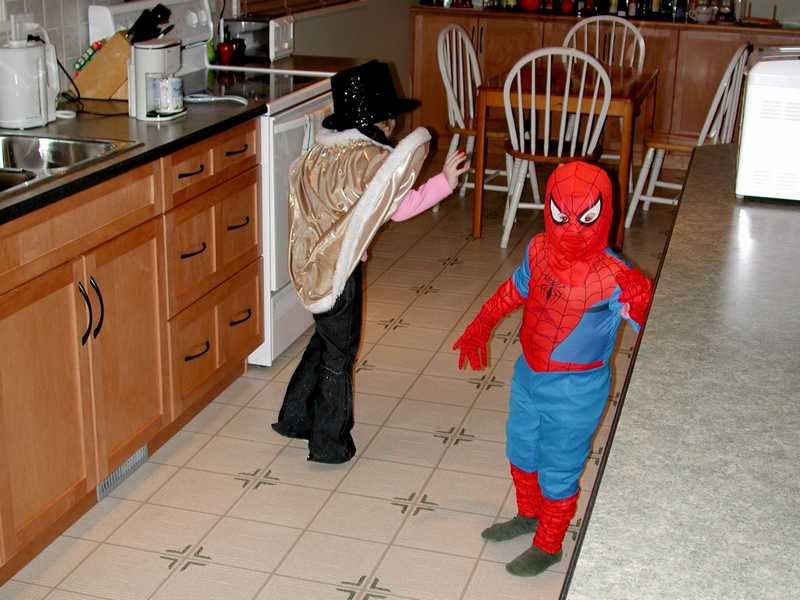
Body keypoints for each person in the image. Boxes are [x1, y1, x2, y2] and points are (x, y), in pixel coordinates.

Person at [453, 161, 653, 577]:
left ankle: (549, 544)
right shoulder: (539, 249)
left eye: (586, 217)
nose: (572, 229)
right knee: (521, 448)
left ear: (605, 212)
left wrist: (642, 305)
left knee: (559, 466)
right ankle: (529, 515)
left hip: (576, 389)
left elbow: (661, 336)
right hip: (529, 373)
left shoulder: (615, 277)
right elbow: (514, 290)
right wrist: (480, 324)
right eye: (561, 216)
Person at [271, 60, 468, 464]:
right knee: (339, 354)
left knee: (324, 340)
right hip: (342, 272)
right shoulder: (367, 160)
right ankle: (328, 443)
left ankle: (295, 416)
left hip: (314, 267)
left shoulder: (321, 153)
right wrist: (445, 181)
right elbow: (400, 206)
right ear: (380, 121)